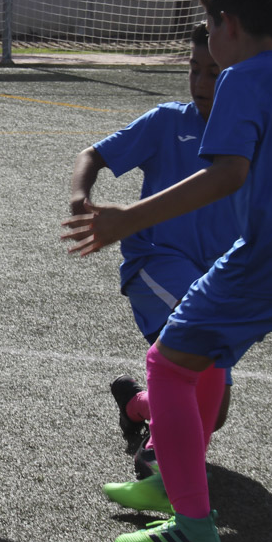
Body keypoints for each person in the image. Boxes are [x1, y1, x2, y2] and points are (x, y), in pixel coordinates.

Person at [62, 0, 272, 542]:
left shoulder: (243, 78)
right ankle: (168, 478)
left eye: (209, 26)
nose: (208, 41)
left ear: (227, 25)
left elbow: (226, 174)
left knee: (169, 366)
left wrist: (128, 219)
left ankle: (192, 527)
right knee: (201, 360)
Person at [68, 24, 236, 481]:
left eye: (215, 73)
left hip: (216, 276)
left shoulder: (251, 137)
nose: (201, 83)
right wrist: (82, 196)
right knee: (197, 351)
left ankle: (137, 405)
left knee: (213, 409)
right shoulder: (167, 122)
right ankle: (160, 463)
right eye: (195, 70)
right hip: (155, 264)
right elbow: (92, 154)